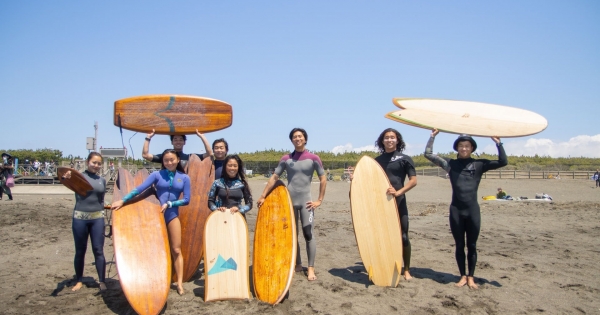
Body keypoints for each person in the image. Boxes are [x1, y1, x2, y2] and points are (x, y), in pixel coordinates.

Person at [424, 128, 507, 289]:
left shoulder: (480, 164)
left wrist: (498, 143)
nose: (464, 148)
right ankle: (462, 275)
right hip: (456, 210)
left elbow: (503, 161)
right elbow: (428, 154)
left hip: (472, 211)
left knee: (472, 245)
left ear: (472, 148)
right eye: (461, 146)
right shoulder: (451, 164)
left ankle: (471, 277)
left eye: (467, 146)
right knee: (459, 244)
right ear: (457, 148)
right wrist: (432, 137)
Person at [111, 149, 191, 295]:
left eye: (172, 159)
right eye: (166, 160)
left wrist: (170, 204)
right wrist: (123, 200)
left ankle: (179, 283)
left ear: (178, 159)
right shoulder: (156, 175)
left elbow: (186, 200)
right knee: (155, 251)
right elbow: (140, 189)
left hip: (172, 215)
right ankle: (155, 279)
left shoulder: (184, 178)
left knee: (176, 250)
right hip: (156, 217)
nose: (169, 162)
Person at [257, 128, 327, 281]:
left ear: (305, 139)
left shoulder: (314, 158)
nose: (297, 139)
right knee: (292, 235)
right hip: (289, 202)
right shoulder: (286, 159)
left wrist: (319, 200)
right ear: (292, 140)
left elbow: (323, 178)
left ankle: (310, 268)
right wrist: (263, 196)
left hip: (306, 202)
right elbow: (275, 177)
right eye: (294, 137)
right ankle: (298, 263)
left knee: (308, 234)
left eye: (300, 136)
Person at [373, 128, 417, 280]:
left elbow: (413, 181)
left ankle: (406, 269)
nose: (389, 140)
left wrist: (399, 192)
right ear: (382, 141)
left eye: (392, 137)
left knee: (403, 236)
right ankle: (386, 264)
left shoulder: (404, 159)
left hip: (399, 201)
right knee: (383, 235)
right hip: (382, 204)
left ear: (397, 140)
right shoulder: (376, 162)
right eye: (386, 137)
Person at [62, 152, 107, 291]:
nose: (96, 165)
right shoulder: (78, 177)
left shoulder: (102, 180)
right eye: (94, 162)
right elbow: (64, 180)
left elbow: (100, 199)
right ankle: (79, 280)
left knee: (98, 250)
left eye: (99, 163)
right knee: (80, 251)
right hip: (80, 218)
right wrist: (66, 177)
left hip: (97, 218)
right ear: (88, 162)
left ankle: (102, 281)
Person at [142, 129, 213, 170]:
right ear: (172, 142)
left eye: (180, 140)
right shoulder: (166, 157)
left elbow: (209, 154)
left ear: (184, 142)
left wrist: (202, 137)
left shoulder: (190, 157)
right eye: (175, 139)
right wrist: (148, 137)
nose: (178, 142)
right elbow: (145, 155)